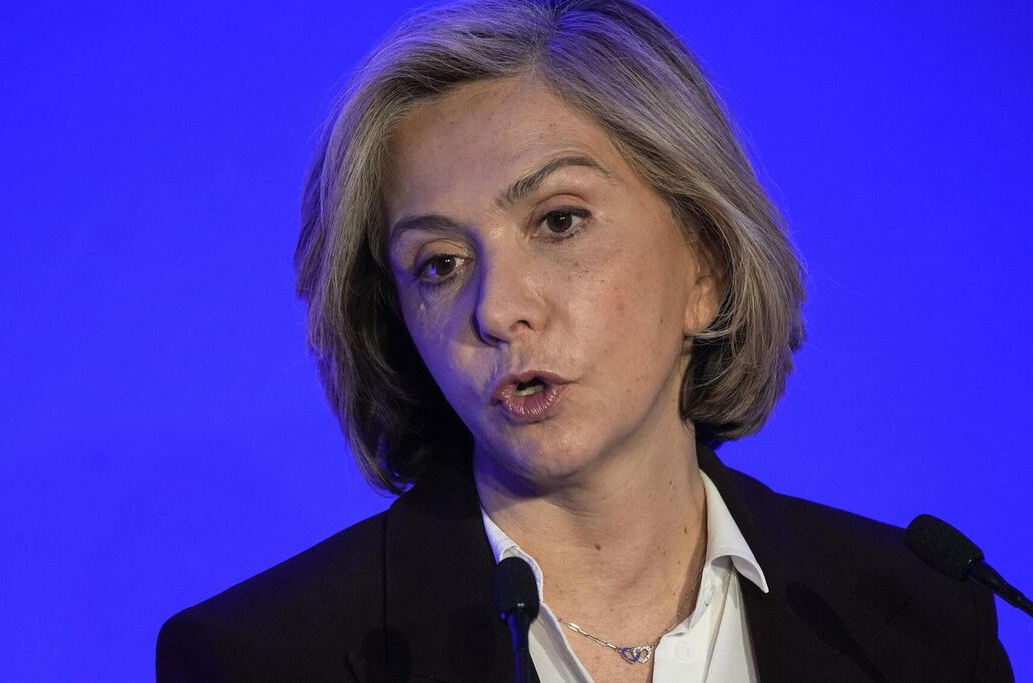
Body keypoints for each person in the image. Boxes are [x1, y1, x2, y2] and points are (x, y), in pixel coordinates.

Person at [157, 0, 1014, 680]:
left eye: (559, 221)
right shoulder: (265, 658)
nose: (499, 309)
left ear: (706, 266)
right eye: (441, 263)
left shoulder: (920, 620)